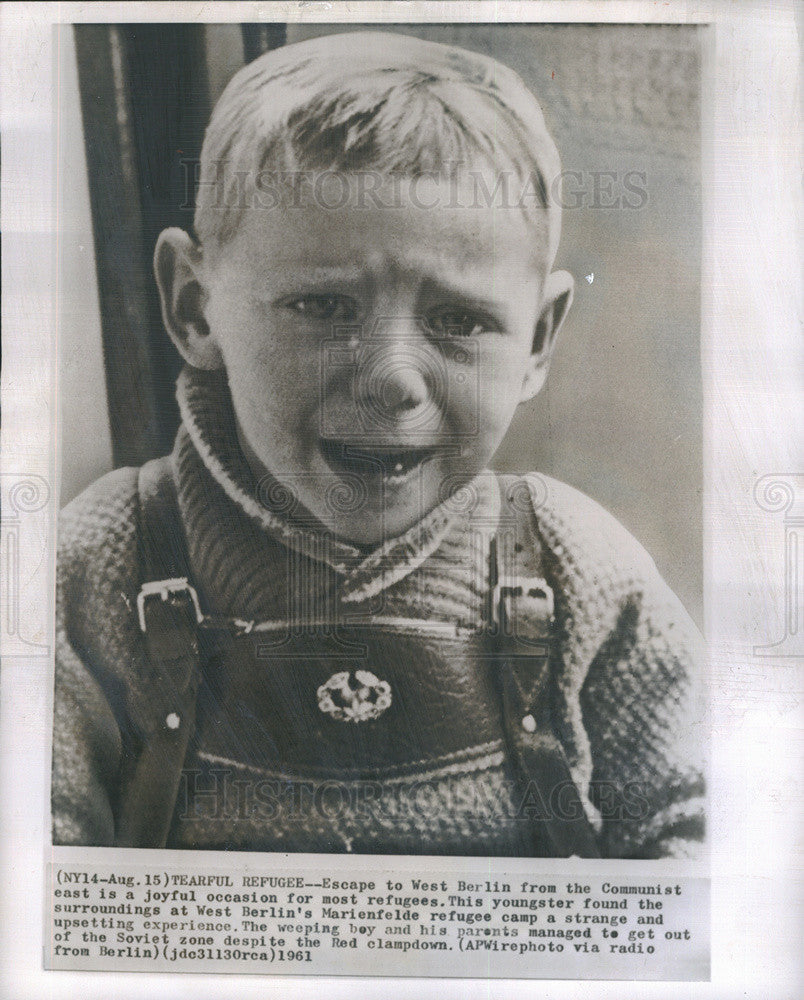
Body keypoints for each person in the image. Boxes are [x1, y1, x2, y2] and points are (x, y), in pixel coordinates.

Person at [52, 31, 704, 858]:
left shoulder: (576, 569)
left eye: (459, 321)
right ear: (193, 307)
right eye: (325, 308)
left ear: (537, 341)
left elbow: (708, 835)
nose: (393, 381)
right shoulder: (104, 561)